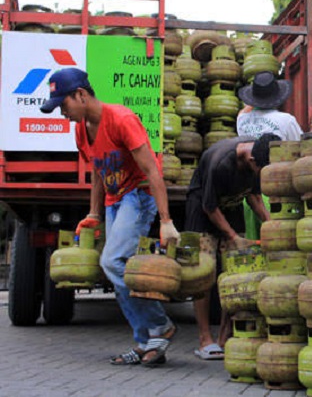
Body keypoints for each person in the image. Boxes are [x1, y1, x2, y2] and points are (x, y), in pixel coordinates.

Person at [40, 67, 180, 367]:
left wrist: (166, 222)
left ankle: (160, 326)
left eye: (63, 105)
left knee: (112, 261)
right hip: (115, 199)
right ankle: (146, 343)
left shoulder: (121, 119)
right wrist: (94, 212)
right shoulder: (81, 129)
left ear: (81, 95)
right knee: (118, 270)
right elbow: (98, 171)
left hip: (139, 195)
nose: (61, 113)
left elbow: (153, 172)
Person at [184, 133, 280, 360]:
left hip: (231, 207)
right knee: (203, 275)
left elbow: (254, 198)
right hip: (203, 209)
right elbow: (210, 207)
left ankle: (225, 337)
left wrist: (272, 225)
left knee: (237, 274)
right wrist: (232, 236)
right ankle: (205, 339)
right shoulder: (220, 163)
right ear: (251, 161)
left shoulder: (260, 157)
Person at [236, 70, 312, 239]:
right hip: (276, 192)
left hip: (250, 195)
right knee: (278, 242)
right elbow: (302, 150)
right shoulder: (286, 120)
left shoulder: (242, 119)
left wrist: (255, 95)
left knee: (256, 244)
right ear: (277, 97)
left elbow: (245, 109)